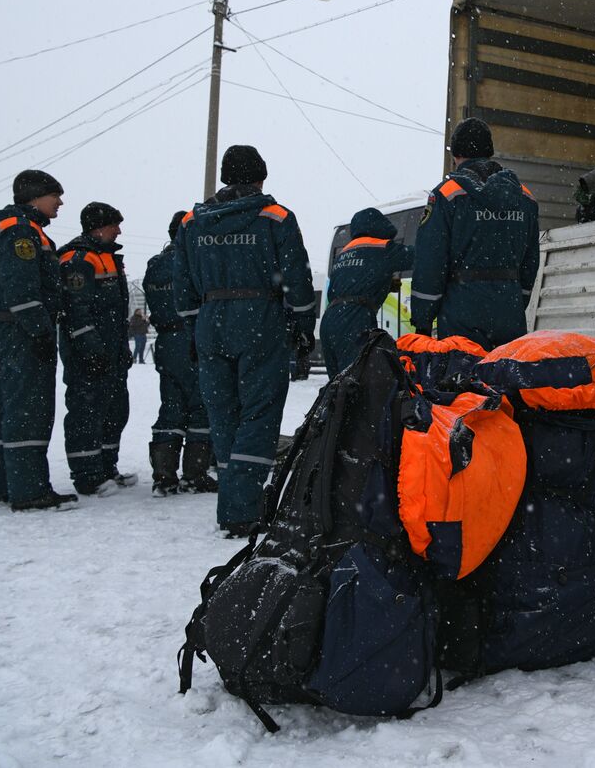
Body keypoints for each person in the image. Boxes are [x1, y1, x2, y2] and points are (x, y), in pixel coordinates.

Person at [173, 145, 316, 536]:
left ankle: (232, 499)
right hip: (260, 318)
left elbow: (181, 284)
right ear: (260, 177)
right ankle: (243, 508)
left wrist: (191, 327)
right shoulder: (275, 218)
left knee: (222, 413)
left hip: (210, 320)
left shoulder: (191, 223)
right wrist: (304, 324)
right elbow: (298, 280)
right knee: (259, 411)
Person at [0, 170, 77, 511]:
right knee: (28, 408)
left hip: (10, 329)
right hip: (21, 330)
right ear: (35, 195)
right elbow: (21, 290)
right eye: (55, 195)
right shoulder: (20, 231)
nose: (60, 202)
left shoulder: (16, 228)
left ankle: (5, 484)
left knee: (7, 406)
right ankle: (29, 489)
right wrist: (39, 331)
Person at [410, 118, 539, 350]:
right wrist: (515, 300)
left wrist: (423, 321)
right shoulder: (525, 198)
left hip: (462, 312)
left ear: (457, 154)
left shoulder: (447, 195)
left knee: (463, 380)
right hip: (509, 311)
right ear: (489, 151)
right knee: (505, 380)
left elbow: (430, 261)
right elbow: (530, 262)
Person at [58, 202, 137, 496]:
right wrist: (91, 350)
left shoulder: (108, 258)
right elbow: (76, 311)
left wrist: (120, 348)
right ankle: (87, 476)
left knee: (115, 409)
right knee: (86, 412)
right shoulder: (77, 259)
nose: (119, 231)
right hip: (87, 354)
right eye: (114, 225)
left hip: (111, 351)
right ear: (99, 227)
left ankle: (106, 467)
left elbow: (115, 311)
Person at [143, 211, 215, 497]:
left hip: (165, 341)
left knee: (170, 407)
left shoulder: (155, 265)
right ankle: (194, 474)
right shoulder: (194, 260)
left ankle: (164, 475)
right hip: (192, 337)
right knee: (200, 407)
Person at [320, 207, 416, 376]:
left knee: (336, 384)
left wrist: (383, 282)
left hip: (329, 320)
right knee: (357, 379)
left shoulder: (345, 251)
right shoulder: (383, 247)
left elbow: (355, 279)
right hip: (354, 318)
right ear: (381, 226)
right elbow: (418, 257)